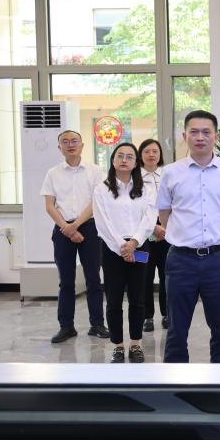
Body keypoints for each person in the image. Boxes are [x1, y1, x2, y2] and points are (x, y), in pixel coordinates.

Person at [157, 110, 220, 363]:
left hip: (217, 260)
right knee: (176, 330)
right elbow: (164, 213)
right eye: (194, 132)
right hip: (180, 260)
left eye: (206, 132)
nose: (200, 137)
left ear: (215, 136)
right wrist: (182, 235)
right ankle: (176, 382)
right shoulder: (171, 172)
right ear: (184, 136)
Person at [40, 130, 108, 343]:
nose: (70, 145)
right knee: (66, 281)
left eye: (74, 141)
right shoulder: (53, 173)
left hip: (90, 227)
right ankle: (66, 326)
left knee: (93, 279)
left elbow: (97, 202)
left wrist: (75, 225)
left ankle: (97, 324)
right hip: (62, 229)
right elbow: (49, 205)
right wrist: (67, 228)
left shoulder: (95, 171)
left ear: (82, 145)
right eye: (65, 142)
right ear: (59, 147)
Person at [92, 142, 156, 363]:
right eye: (120, 156)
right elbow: (102, 222)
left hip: (139, 247)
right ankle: (118, 345)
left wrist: (134, 242)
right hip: (112, 249)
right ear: (112, 160)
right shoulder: (101, 189)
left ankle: (136, 344)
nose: (124, 160)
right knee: (114, 300)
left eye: (130, 156)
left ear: (136, 162)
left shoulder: (146, 189)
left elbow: (150, 217)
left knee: (138, 298)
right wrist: (122, 246)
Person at [138, 138, 169, 332]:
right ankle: (147, 317)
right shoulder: (135, 177)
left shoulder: (168, 174)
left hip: (168, 233)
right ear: (140, 155)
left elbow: (176, 202)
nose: (151, 155)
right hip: (143, 235)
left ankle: (167, 314)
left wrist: (165, 227)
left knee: (167, 275)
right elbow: (135, 208)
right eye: (147, 151)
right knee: (144, 276)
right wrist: (153, 227)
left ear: (160, 154)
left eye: (155, 151)